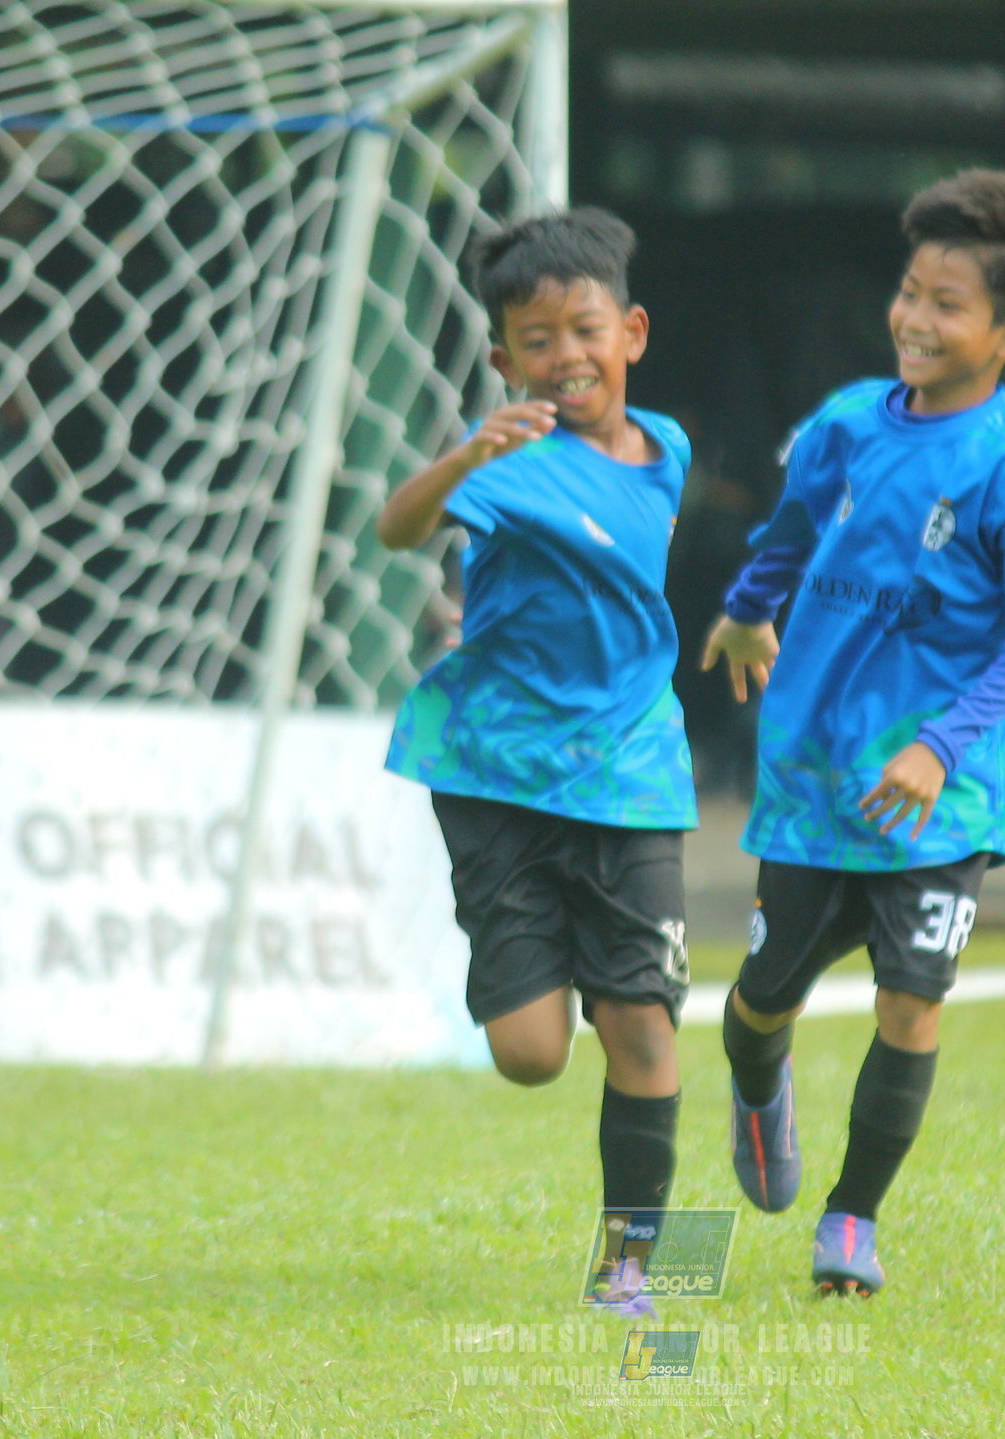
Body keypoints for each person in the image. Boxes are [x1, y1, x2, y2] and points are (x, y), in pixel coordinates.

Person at [702, 169, 1005, 1297]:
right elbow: (787, 532)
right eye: (910, 292)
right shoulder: (842, 424)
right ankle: (758, 1077)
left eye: (946, 304)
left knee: (913, 999)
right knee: (762, 995)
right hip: (819, 768)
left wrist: (941, 746)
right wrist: (746, 611)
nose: (914, 319)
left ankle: (851, 1220)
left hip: (943, 789)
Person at [377, 209, 695, 1318]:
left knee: (641, 1022)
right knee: (529, 1054)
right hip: (496, 773)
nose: (567, 355)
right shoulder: (505, 460)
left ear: (631, 333)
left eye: (585, 329)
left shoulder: (668, 450)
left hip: (631, 770)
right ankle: (551, 953)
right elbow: (395, 528)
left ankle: (631, 1269)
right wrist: (465, 456)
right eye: (538, 339)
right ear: (506, 360)